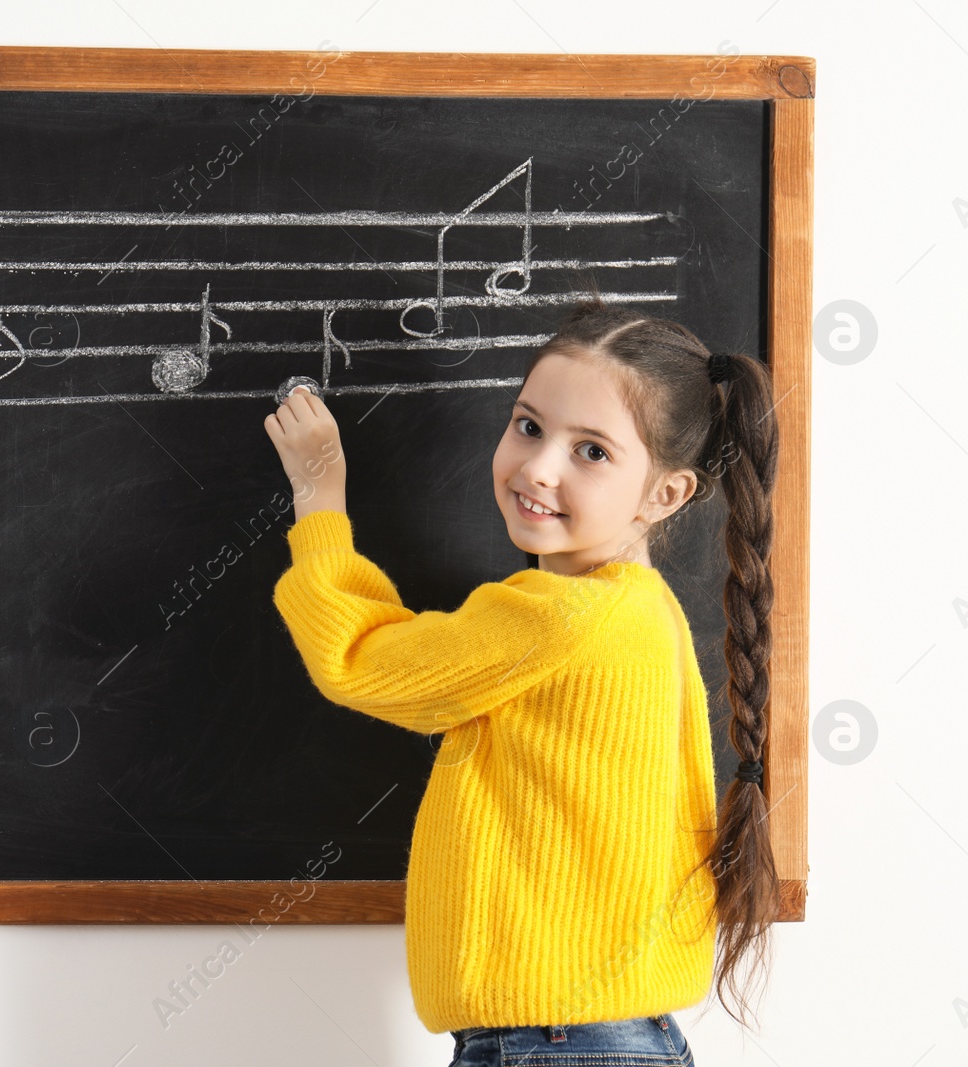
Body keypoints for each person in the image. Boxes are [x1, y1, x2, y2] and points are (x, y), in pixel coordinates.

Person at [262, 295, 781, 1064]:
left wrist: (319, 496)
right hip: (603, 1037)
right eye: (529, 425)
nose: (538, 466)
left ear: (666, 493)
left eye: (592, 451)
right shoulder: (646, 610)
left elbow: (362, 660)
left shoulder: (561, 615)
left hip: (554, 1043)